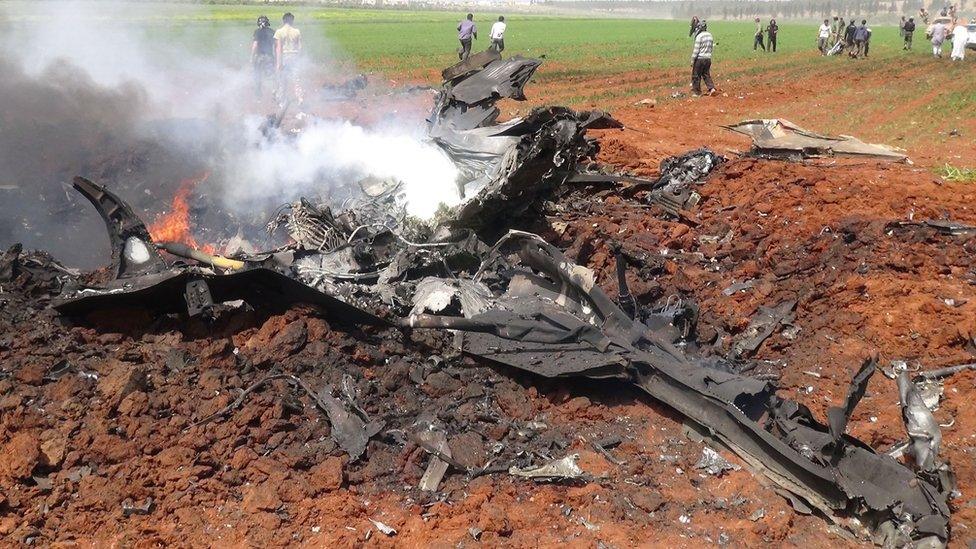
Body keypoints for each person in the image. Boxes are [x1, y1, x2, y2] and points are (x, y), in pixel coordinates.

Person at [274, 13, 303, 104]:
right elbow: (300, 47)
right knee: (296, 79)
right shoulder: (297, 31)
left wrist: (278, 63)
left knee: (282, 78)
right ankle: (300, 99)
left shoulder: (279, 32)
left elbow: (278, 48)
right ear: (292, 20)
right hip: (294, 56)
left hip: (284, 56)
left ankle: (281, 100)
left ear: (283, 20)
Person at [251, 15, 275, 98]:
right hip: (269, 56)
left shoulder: (257, 32)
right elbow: (275, 45)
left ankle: (258, 94)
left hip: (259, 57)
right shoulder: (272, 31)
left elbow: (255, 45)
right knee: (271, 76)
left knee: (257, 75)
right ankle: (274, 93)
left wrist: (252, 57)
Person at [691, 21, 716, 96]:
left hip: (700, 59)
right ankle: (711, 88)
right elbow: (711, 48)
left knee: (696, 75)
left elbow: (696, 50)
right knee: (706, 74)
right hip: (708, 58)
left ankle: (697, 92)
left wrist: (692, 60)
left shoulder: (699, 36)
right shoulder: (710, 35)